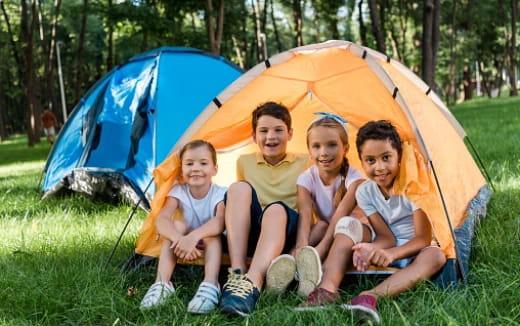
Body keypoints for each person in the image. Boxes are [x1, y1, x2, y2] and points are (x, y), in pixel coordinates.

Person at [301, 120, 446, 324]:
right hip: (387, 247)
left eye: (386, 158)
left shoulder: (413, 186)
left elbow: (423, 238)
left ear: (399, 156)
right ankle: (327, 289)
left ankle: (369, 297)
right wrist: (371, 248)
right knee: (347, 223)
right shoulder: (365, 191)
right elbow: (385, 235)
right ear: (361, 161)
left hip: (414, 248)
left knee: (436, 256)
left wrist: (391, 253)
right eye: (370, 160)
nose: (380, 167)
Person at [219, 102, 310, 317]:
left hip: (285, 229)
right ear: (253, 136)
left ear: (290, 134)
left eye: (278, 130)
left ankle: (254, 281)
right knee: (238, 188)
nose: (271, 137)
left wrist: (302, 243)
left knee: (276, 209)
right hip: (256, 232)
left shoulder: (306, 161)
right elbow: (240, 206)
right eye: (264, 131)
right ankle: (238, 274)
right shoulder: (244, 162)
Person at [265, 112, 369, 298]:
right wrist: (301, 248)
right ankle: (290, 265)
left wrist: (319, 251)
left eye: (332, 145)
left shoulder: (355, 179)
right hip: (327, 229)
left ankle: (307, 271)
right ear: (310, 151)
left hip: (350, 233)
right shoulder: (306, 178)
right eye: (317, 146)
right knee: (320, 225)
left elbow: (341, 215)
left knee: (337, 227)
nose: (324, 152)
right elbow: (305, 214)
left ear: (345, 148)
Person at [140, 140, 226, 314]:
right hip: (182, 241)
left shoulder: (220, 192)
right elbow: (162, 220)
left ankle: (210, 284)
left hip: (209, 241)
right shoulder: (178, 191)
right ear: (181, 169)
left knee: (212, 236)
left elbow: (219, 222)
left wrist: (193, 238)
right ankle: (162, 284)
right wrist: (180, 240)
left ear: (214, 169)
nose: (195, 168)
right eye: (189, 163)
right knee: (176, 226)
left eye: (203, 163)